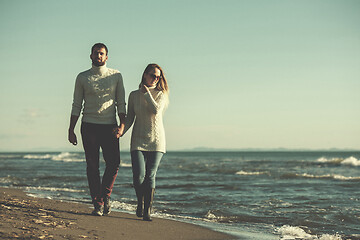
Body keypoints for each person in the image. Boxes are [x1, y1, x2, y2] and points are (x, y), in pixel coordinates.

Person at [68, 43, 126, 216]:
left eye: (102, 54)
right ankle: (98, 203)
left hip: (110, 126)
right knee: (92, 166)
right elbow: (76, 104)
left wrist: (122, 125)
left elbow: (121, 103)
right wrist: (71, 129)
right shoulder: (82, 77)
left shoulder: (116, 75)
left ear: (107, 57)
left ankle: (105, 195)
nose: (99, 56)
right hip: (89, 126)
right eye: (96, 53)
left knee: (114, 163)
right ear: (91, 56)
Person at [123, 63, 169, 221]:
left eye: (158, 76)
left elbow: (155, 110)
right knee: (138, 176)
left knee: (150, 175)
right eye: (153, 75)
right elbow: (130, 118)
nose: (156, 79)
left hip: (157, 141)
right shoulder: (133, 95)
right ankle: (140, 203)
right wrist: (120, 131)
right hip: (138, 140)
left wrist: (147, 93)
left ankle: (148, 210)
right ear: (145, 75)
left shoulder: (161, 94)